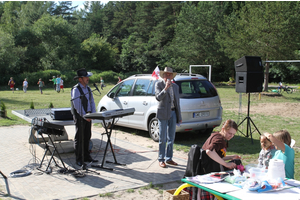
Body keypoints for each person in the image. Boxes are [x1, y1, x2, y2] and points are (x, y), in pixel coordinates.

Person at [199, 119, 241, 200]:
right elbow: (209, 151)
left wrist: (231, 157)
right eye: (229, 133)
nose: (231, 136)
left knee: (236, 161)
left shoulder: (218, 136)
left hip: (209, 166)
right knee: (237, 166)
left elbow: (217, 156)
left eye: (233, 134)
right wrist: (226, 164)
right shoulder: (219, 139)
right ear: (223, 129)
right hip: (210, 170)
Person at [155, 67, 182, 168]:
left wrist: (180, 116)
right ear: (163, 76)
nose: (168, 76)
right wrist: (165, 88)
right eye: (166, 74)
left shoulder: (175, 86)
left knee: (171, 138)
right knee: (162, 138)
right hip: (163, 114)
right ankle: (161, 159)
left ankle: (169, 158)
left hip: (173, 113)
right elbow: (158, 97)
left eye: (170, 74)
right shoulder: (159, 84)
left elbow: (177, 102)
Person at [71, 68, 97, 166]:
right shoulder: (76, 89)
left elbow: (92, 101)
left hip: (88, 116)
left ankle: (86, 156)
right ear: (80, 79)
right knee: (80, 138)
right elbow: (77, 105)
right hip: (80, 116)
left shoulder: (89, 88)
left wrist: (93, 113)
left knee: (87, 136)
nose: (88, 78)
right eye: (86, 77)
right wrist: (85, 116)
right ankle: (79, 158)